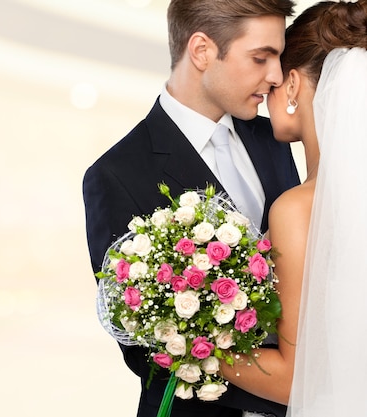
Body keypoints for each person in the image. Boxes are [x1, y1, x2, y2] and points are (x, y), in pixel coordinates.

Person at [82, 1, 301, 416]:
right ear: (202, 50)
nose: (275, 77)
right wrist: (288, 385)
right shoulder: (116, 174)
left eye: (279, 57)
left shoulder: (271, 138)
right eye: (261, 57)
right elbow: (141, 346)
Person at [217, 1, 367, 415]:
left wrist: (191, 338)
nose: (267, 88)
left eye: (277, 76)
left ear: (296, 85)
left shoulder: (300, 209)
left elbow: (296, 378)